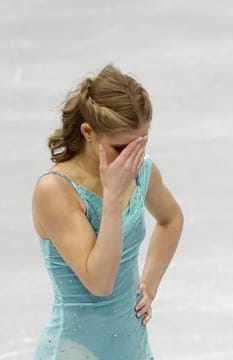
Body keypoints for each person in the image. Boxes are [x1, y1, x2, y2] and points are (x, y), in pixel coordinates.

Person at [32, 64, 183, 359]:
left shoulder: (142, 171)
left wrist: (149, 285)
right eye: (120, 147)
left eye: (141, 143)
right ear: (88, 132)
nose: (133, 156)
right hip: (76, 350)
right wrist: (112, 198)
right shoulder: (55, 191)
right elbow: (100, 282)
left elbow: (171, 219)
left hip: (133, 345)